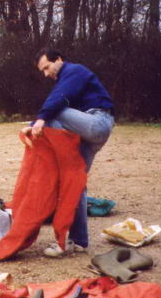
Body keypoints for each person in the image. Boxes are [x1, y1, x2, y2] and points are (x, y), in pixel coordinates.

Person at [23, 48, 114, 257]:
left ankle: (54, 159)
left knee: (56, 113)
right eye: (42, 70)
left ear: (59, 60)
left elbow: (58, 98)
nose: (46, 74)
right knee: (74, 181)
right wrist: (36, 123)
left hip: (97, 122)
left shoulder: (74, 71)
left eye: (47, 67)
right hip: (90, 130)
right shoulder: (67, 79)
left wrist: (38, 122)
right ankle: (78, 241)